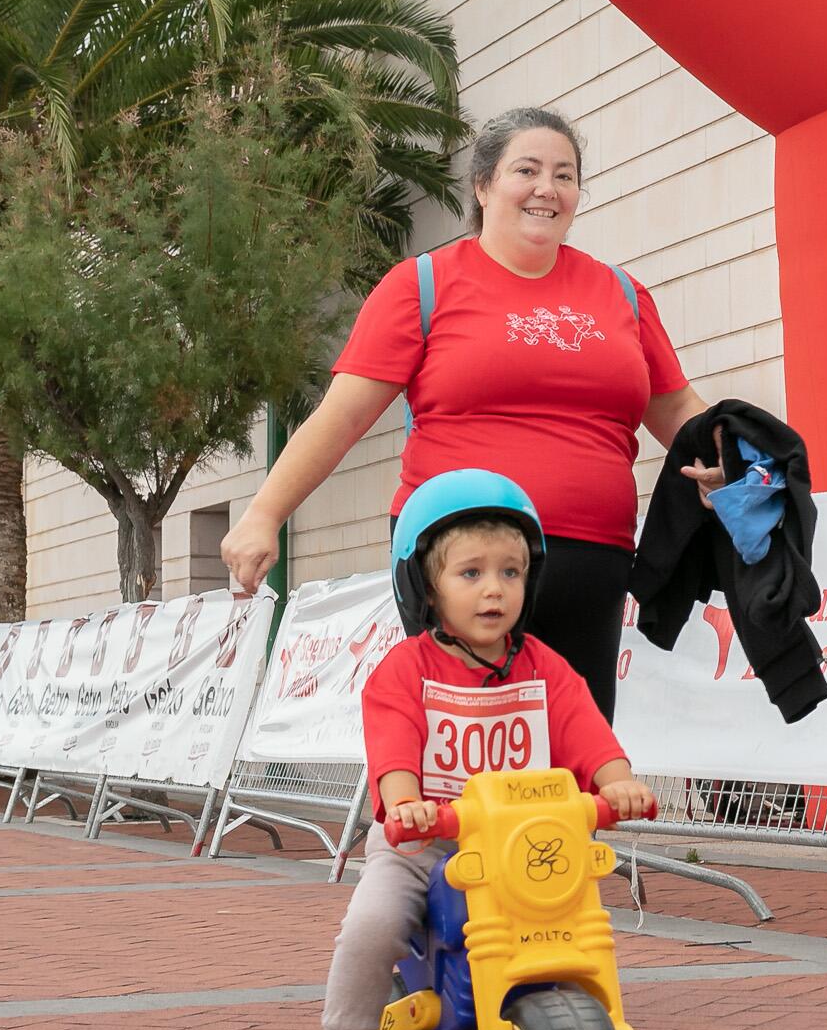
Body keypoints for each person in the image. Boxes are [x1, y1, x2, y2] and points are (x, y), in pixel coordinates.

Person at [222, 107, 723, 723]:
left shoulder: (621, 294)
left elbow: (676, 409)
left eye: (565, 175)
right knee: (472, 754)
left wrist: (737, 459)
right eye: (527, 170)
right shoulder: (423, 285)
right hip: (459, 553)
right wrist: (262, 515)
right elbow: (342, 418)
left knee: (574, 750)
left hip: (594, 559)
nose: (547, 188)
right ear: (483, 187)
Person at [281, 471, 657, 1030]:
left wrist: (617, 782)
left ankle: (564, 1022)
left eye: (510, 572)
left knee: (571, 921)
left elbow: (589, 735)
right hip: (427, 843)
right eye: (471, 573)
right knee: (373, 922)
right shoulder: (407, 670)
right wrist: (406, 806)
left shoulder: (545, 665)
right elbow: (394, 753)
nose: (494, 589)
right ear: (427, 588)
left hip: (523, 846)